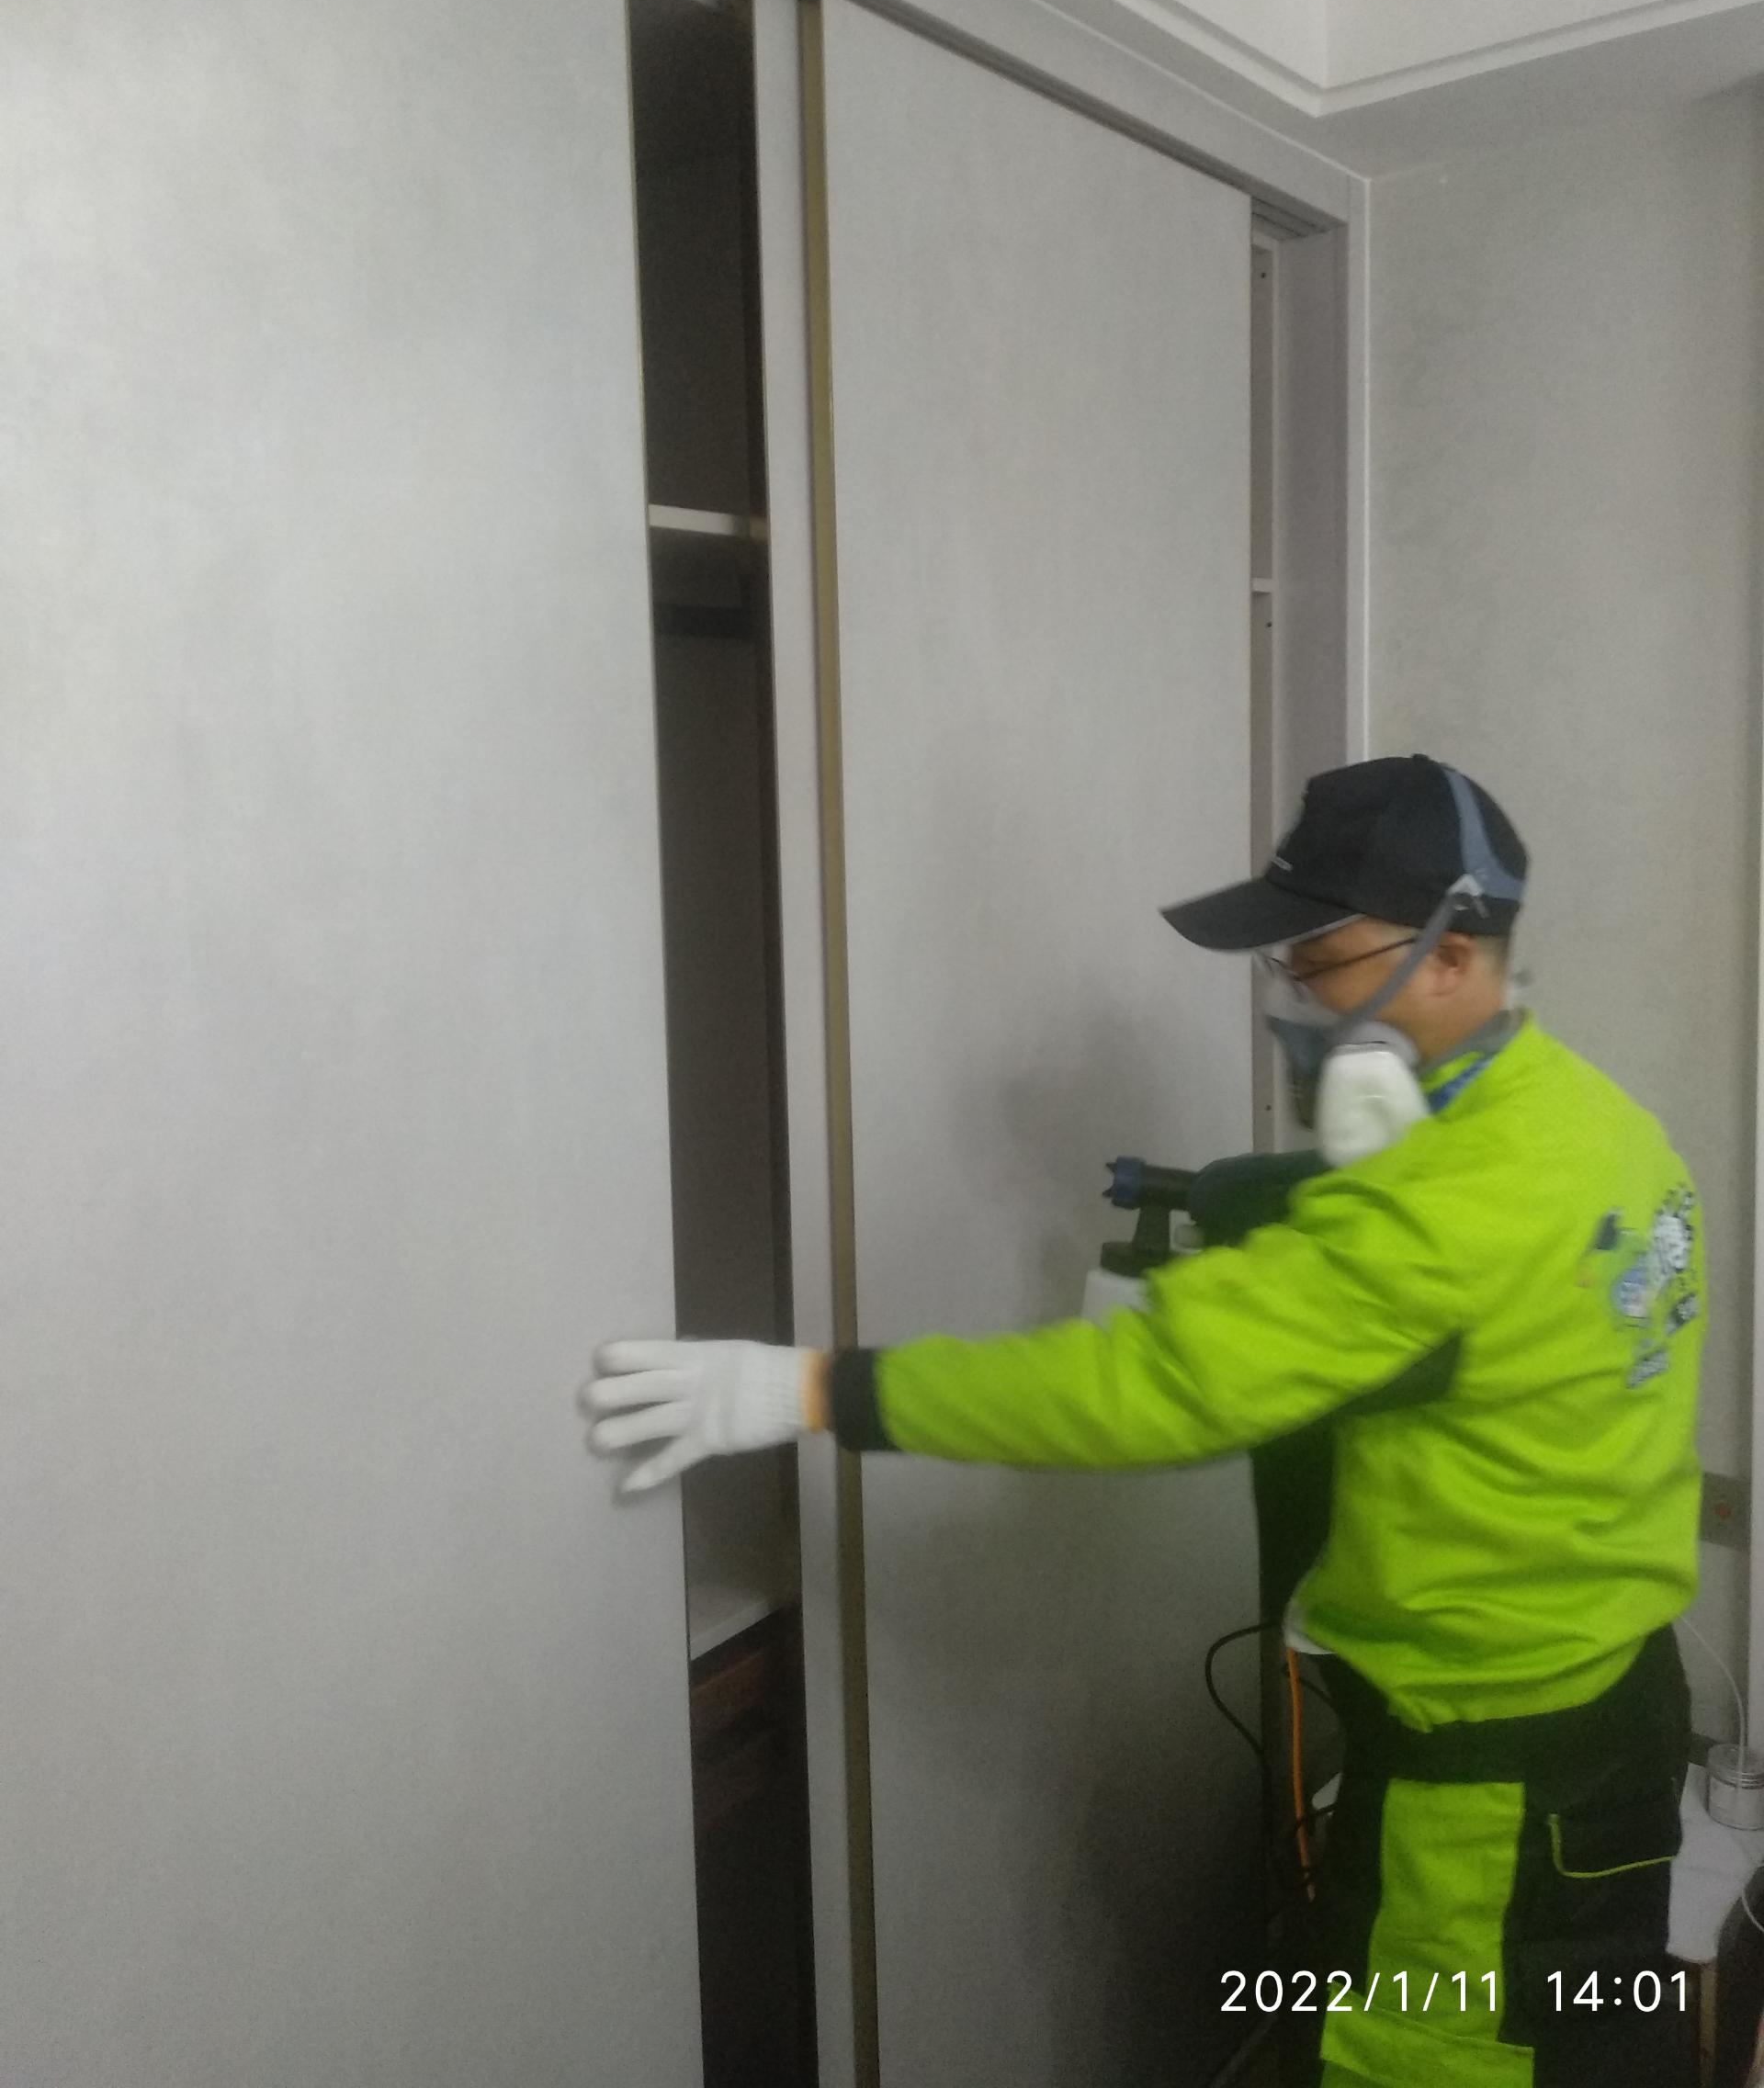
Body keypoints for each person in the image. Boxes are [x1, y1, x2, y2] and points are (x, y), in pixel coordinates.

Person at [582, 753, 1704, 2086]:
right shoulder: (1606, 1126)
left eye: (1324, 964)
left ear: (1451, 953)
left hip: (1482, 1775)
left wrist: (818, 1388)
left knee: (1431, 2059)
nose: (1303, 1001)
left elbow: (1146, 1390)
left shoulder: (1436, 1216)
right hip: (1618, 1709)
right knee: (1585, 2019)